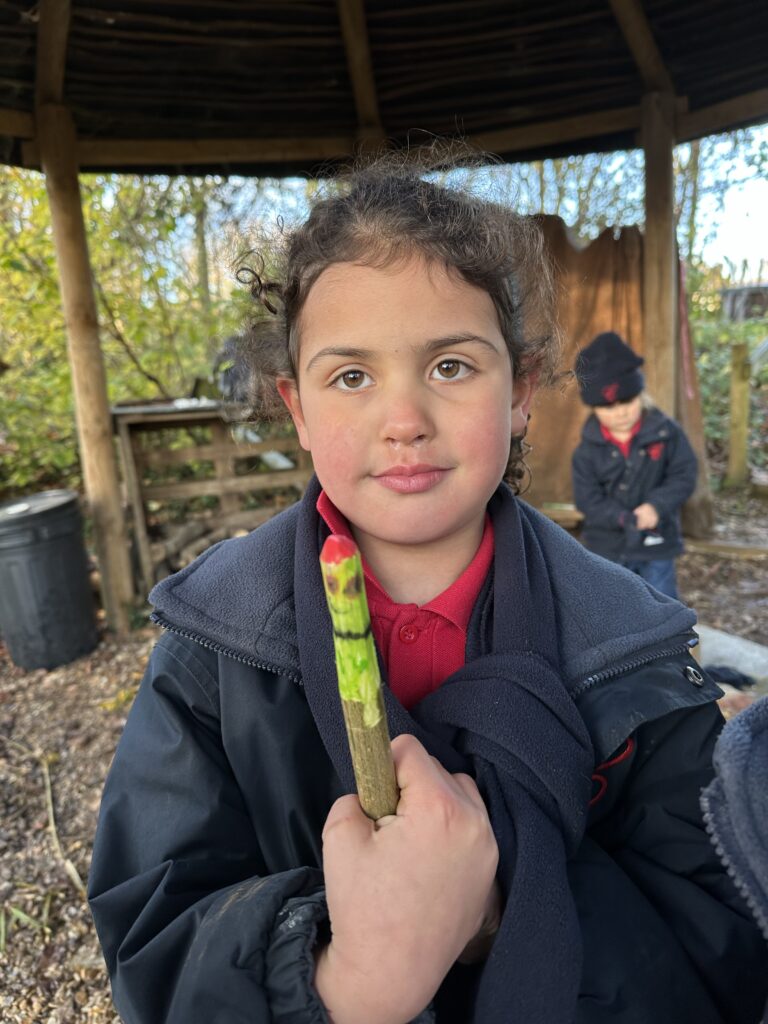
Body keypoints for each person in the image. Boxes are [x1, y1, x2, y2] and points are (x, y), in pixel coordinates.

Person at [88, 156, 767, 1024]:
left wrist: (495, 920)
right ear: (297, 409)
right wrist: (349, 978)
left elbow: (711, 945)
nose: (403, 418)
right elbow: (154, 933)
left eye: (450, 366)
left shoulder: (632, 646)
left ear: (520, 391)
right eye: (352, 377)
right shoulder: (212, 645)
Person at [571, 331, 697, 598]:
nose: (620, 412)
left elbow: (684, 474)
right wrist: (622, 518)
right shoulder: (586, 450)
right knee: (614, 605)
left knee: (661, 602)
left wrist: (656, 506)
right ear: (593, 407)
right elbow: (587, 499)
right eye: (608, 406)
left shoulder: (666, 433)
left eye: (626, 401)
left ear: (640, 392)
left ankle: (666, 640)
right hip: (607, 546)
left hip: (657, 542)